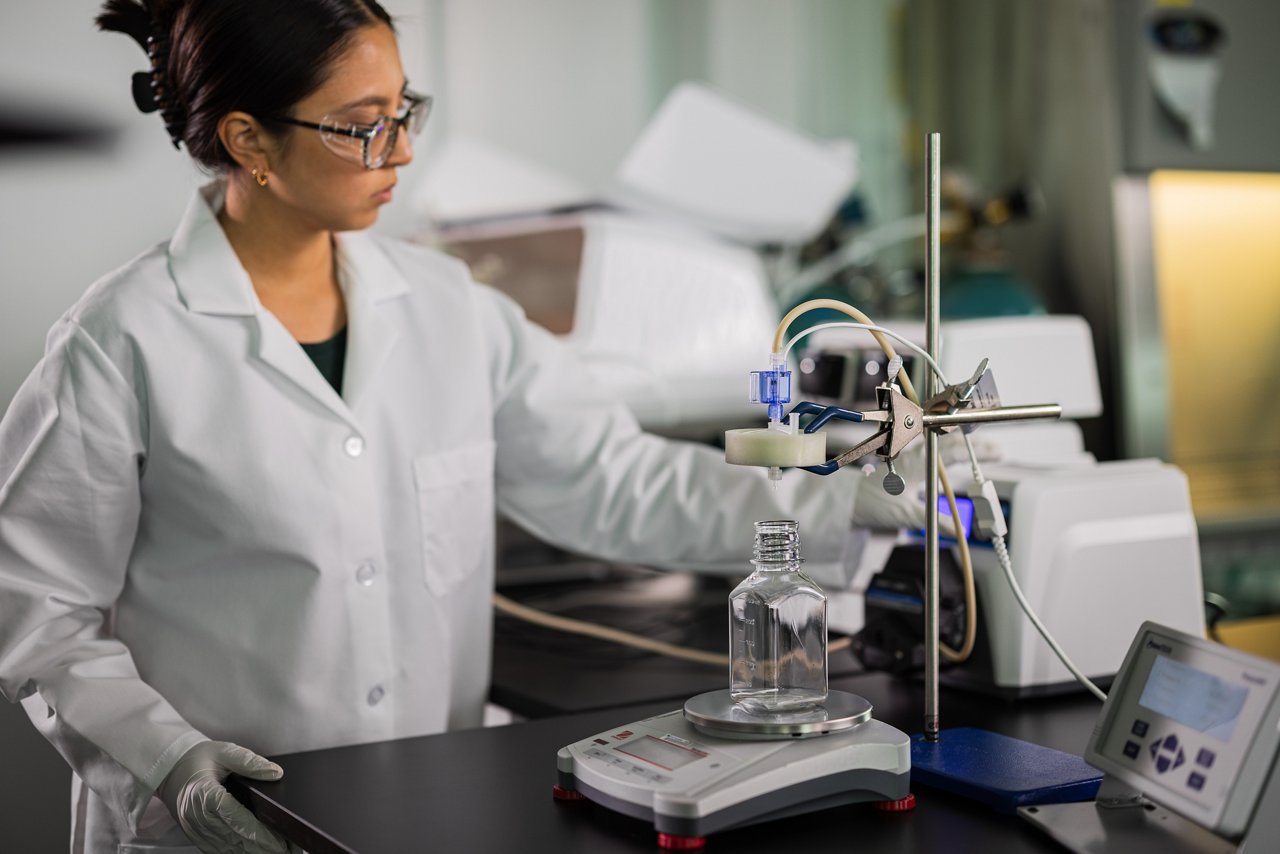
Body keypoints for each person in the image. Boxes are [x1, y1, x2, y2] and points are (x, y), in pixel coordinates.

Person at [0, 2, 934, 851]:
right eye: (363, 128)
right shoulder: (123, 338)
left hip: (423, 807)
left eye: (406, 111)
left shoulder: (446, 307)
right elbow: (37, 611)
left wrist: (850, 501)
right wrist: (167, 758)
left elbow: (609, 478)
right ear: (249, 141)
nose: (401, 152)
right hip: (215, 826)